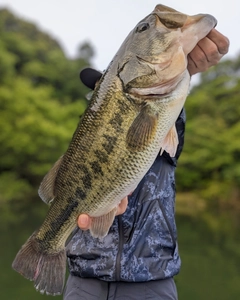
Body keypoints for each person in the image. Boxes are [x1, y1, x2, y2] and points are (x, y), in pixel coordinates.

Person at [64, 28, 229, 300]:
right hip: (84, 278)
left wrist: (181, 68)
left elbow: (165, 110)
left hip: (151, 279)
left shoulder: (163, 124)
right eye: (102, 95)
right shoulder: (91, 144)